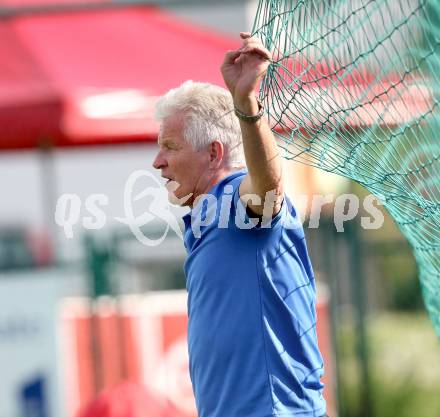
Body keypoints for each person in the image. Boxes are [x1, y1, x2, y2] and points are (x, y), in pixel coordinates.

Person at [153, 32, 327, 417]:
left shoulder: (234, 199)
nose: (157, 161)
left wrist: (246, 105)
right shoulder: (206, 219)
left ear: (214, 153)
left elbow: (269, 187)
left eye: (170, 146)